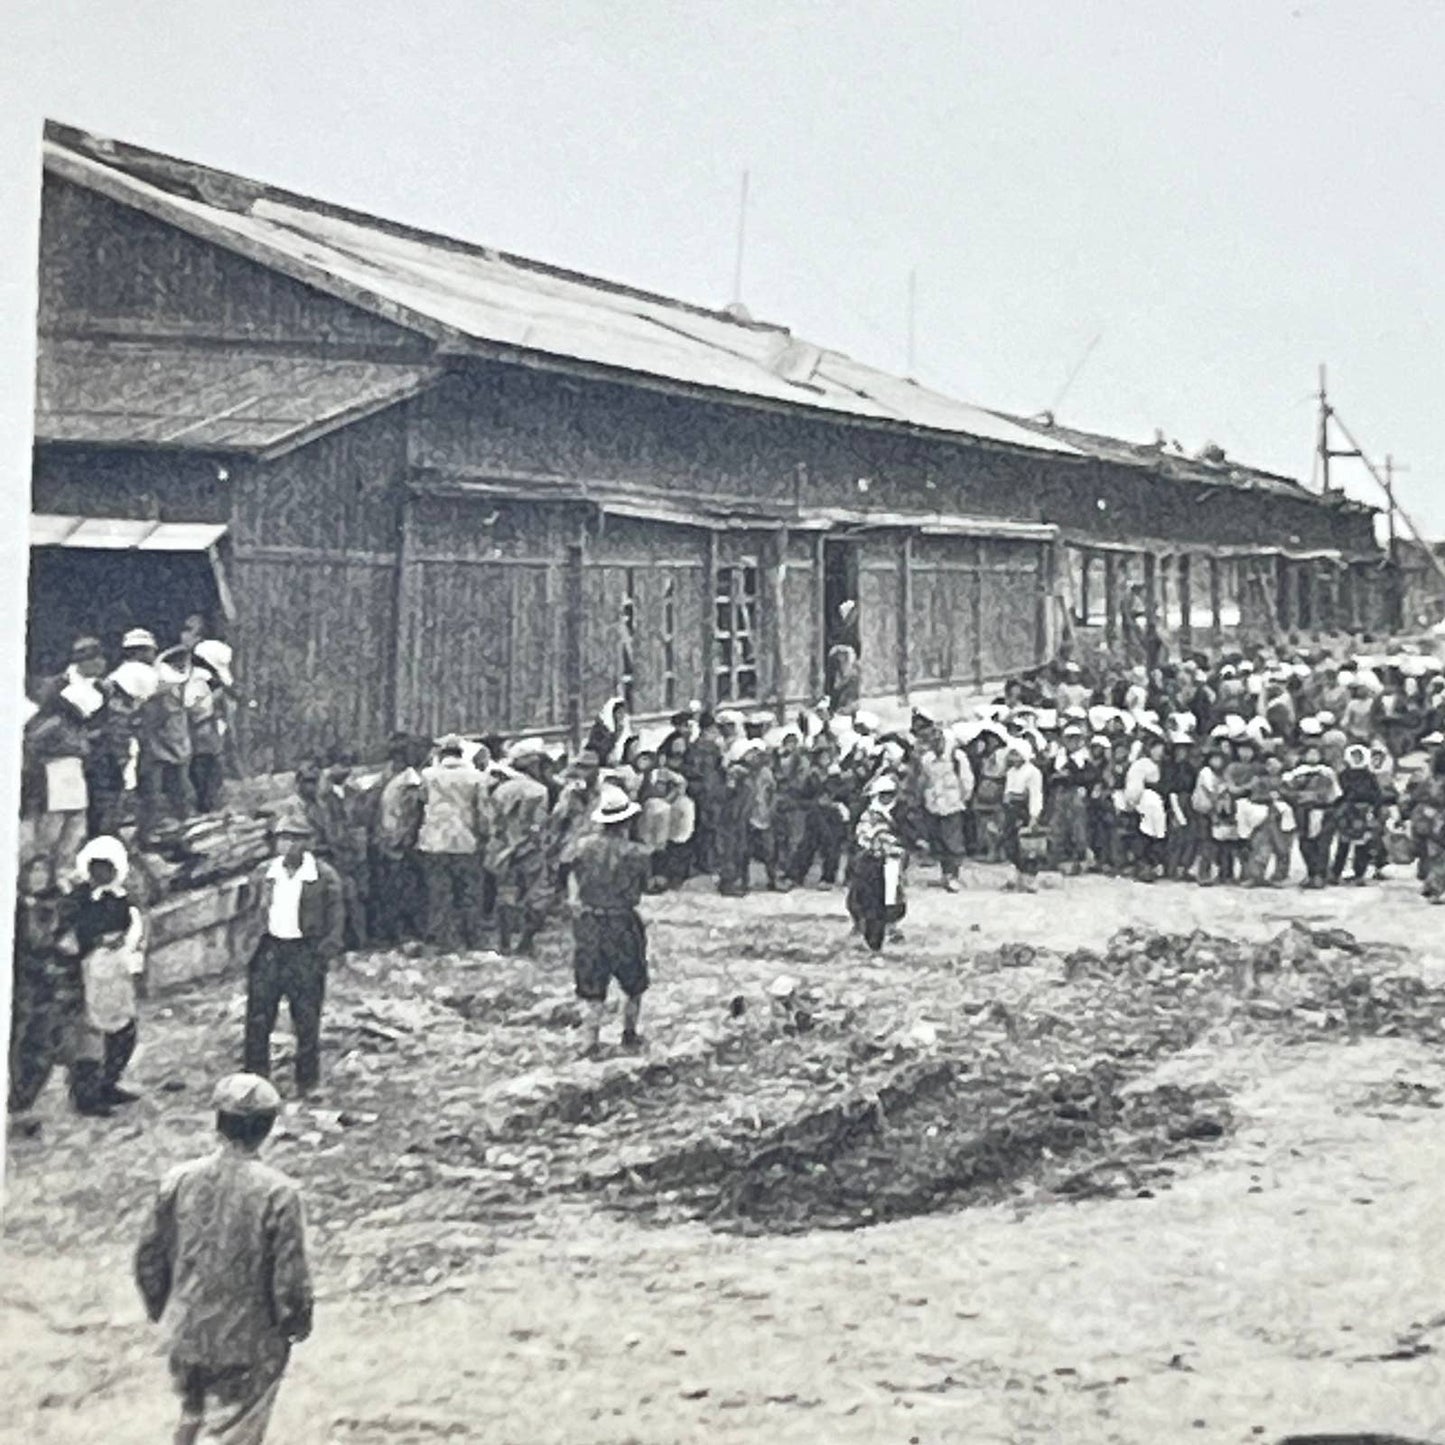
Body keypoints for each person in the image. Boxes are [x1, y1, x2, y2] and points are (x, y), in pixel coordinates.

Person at [134, 1072, 313, 1445]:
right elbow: (289, 1277)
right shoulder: (278, 1193)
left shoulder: (179, 1179)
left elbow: (149, 1255)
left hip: (186, 1332)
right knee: (234, 1432)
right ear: (267, 1128)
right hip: (248, 1343)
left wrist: (161, 1309)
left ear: (219, 1121)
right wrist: (296, 1322)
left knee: (191, 1420)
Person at [242, 805, 345, 1095]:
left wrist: (323, 953)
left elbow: (336, 918)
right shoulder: (264, 873)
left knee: (307, 1018)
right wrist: (249, 947)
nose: (286, 845)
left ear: (307, 842)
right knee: (258, 1017)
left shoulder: (323, 876)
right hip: (270, 950)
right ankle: (256, 1079)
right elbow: (251, 911)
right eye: (281, 838)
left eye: (294, 838)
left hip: (304, 951)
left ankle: (307, 1081)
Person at [570, 784, 654, 1057]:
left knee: (592, 986)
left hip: (591, 919)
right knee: (634, 982)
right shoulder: (638, 854)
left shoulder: (582, 847)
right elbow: (643, 886)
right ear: (627, 821)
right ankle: (629, 1035)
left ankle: (588, 1041)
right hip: (622, 919)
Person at [68, 834, 147, 1117]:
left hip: (116, 970)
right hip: (89, 970)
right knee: (91, 1036)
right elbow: (73, 934)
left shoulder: (122, 899)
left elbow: (134, 929)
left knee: (123, 1027)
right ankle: (86, 1096)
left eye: (108, 867)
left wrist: (125, 945)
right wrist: (97, 941)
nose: (102, 873)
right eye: (96, 866)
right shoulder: (78, 899)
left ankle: (109, 1082)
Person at [8, 853, 79, 1135]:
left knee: (44, 1046)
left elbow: (67, 940)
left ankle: (25, 1103)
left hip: (49, 990)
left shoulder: (56, 905)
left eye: (42, 870)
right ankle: (16, 1106)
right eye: (33, 870)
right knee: (18, 1045)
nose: (38, 876)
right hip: (23, 987)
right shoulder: (17, 907)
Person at [416, 735, 490, 952]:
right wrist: (484, 834)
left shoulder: (428, 776)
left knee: (439, 892)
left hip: (434, 841)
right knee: (470, 892)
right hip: (465, 841)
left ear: (441, 754)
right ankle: (472, 938)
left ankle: (442, 940)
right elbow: (483, 811)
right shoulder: (476, 777)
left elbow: (421, 802)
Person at [487, 740, 553, 955]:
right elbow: (538, 824)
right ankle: (526, 941)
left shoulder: (500, 791)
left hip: (503, 848)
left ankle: (504, 943)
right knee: (538, 896)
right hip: (529, 850)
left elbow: (492, 821)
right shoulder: (538, 791)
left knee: (506, 894)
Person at [847, 773, 907, 951]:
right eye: (883, 794)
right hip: (869, 863)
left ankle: (889, 928)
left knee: (892, 898)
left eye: (890, 794)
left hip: (890, 862)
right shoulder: (868, 815)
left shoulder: (897, 814)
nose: (887, 798)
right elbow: (865, 838)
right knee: (866, 900)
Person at [915, 723, 974, 891]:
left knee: (953, 842)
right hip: (933, 804)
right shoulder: (927, 759)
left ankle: (953, 875)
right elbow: (925, 780)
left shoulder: (957, 757)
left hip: (952, 804)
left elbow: (966, 781)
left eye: (938, 741)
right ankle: (945, 873)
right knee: (938, 840)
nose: (936, 744)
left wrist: (962, 799)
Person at [1001, 742, 1045, 892]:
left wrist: (1034, 815)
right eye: (1012, 754)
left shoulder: (1033, 772)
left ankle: (1030, 880)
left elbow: (1035, 795)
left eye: (1017, 754)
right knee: (1011, 844)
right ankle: (1013, 878)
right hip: (1010, 810)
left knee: (1028, 848)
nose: (1014, 757)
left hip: (1024, 810)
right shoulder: (1010, 772)